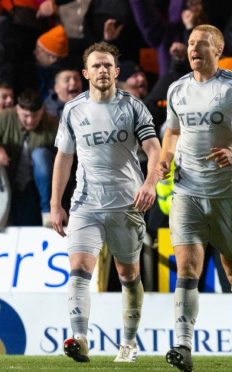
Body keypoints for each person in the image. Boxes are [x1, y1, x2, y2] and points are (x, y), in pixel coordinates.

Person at [50, 42, 161, 363]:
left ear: (116, 71)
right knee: (79, 270)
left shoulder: (133, 107)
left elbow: (154, 150)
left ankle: (128, 343)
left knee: (128, 275)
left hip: (128, 203)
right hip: (86, 204)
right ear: (86, 73)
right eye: (95, 65)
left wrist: (150, 183)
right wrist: (56, 203)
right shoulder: (73, 109)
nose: (101, 70)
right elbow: (64, 157)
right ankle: (80, 337)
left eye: (107, 65)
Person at [158, 24, 232, 372]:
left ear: (219, 48)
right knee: (187, 267)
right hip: (187, 191)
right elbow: (174, 131)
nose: (194, 48)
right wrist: (166, 157)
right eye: (191, 43)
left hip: (228, 194)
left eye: (202, 44)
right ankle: (183, 344)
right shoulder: (178, 88)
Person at [0, 89, 57, 226]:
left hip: (37, 185)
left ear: (42, 110)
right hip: (8, 179)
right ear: (17, 109)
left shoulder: (54, 125)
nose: (30, 121)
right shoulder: (5, 117)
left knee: (40, 155)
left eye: (35, 116)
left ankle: (47, 212)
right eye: (25, 116)